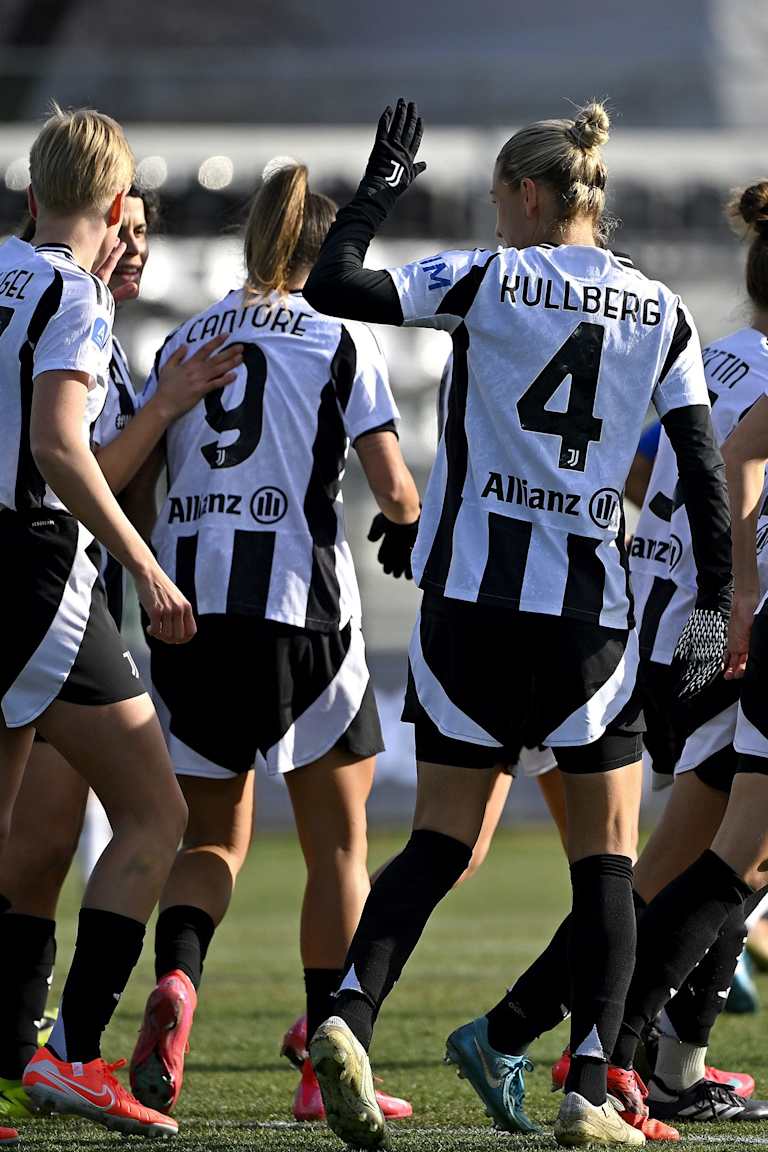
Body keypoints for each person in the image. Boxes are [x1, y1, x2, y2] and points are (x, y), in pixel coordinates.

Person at [301, 98, 732, 1150]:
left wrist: (381, 186)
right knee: (608, 863)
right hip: (586, 623)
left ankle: (350, 1018)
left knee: (441, 841)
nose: (498, 220)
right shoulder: (662, 310)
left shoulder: (489, 280)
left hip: (469, 614)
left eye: (501, 200)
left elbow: (333, 284)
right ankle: (590, 1083)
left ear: (532, 195)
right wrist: (718, 615)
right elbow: (705, 480)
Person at [125, 161, 419, 1125]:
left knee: (212, 837)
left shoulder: (185, 334)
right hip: (304, 620)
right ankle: (320, 1063)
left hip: (189, 616)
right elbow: (396, 494)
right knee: (339, 847)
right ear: (320, 251)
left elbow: (131, 469)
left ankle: (177, 985)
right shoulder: (339, 340)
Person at [479, 181, 768, 1134]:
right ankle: (593, 1044)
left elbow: (641, 468)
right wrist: (733, 592)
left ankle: (639, 1049)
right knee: (714, 855)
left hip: (660, 617)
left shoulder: (720, 357)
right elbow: (732, 481)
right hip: (713, 627)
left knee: (708, 853)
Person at [0, 185, 240, 1122]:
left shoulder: (64, 314)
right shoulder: (69, 308)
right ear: (86, 213)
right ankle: (64, 1053)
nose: (135, 247)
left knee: (42, 841)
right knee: (132, 818)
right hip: (54, 592)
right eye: (125, 228)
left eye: (147, 233)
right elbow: (77, 458)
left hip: (71, 600)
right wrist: (170, 407)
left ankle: (30, 1052)